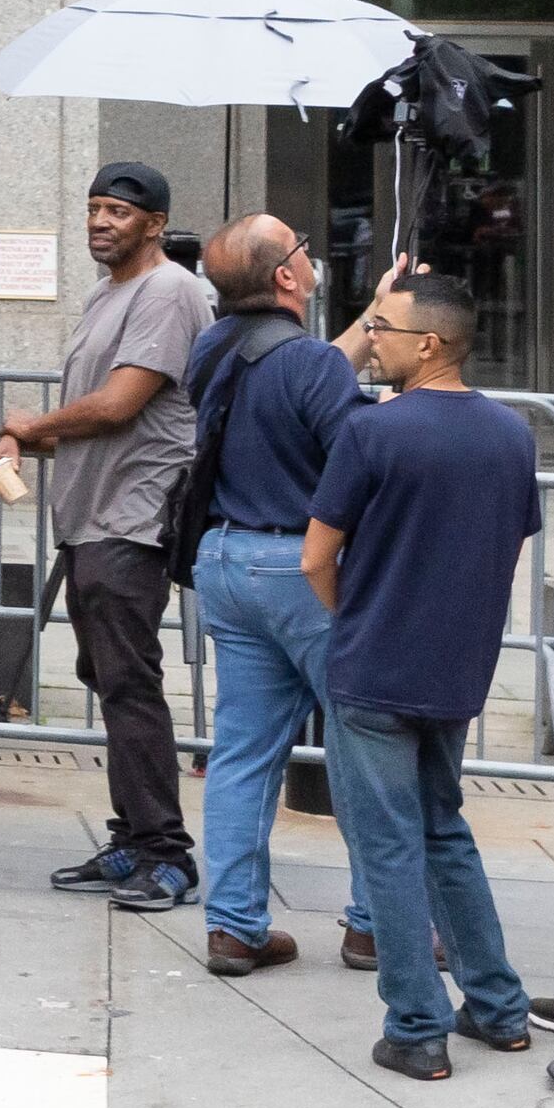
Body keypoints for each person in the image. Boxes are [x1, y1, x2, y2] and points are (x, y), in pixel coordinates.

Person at [308, 264, 547, 1079]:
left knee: (387, 847)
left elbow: (316, 556)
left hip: (374, 664)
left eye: (381, 326)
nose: (370, 338)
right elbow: (505, 548)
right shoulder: (515, 433)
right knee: (444, 830)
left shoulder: (373, 430)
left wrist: (361, 612)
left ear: (430, 341)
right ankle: (498, 1007)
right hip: (456, 668)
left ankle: (415, 1026)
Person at [0, 157, 206, 910]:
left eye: (119, 211)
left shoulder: (169, 290)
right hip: (92, 516)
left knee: (131, 685)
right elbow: (90, 413)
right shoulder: (109, 292)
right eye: (94, 208)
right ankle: (131, 837)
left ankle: (166, 853)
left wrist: (30, 424)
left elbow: (120, 403)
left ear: (155, 223)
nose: (101, 221)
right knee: (111, 683)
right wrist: (23, 444)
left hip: (132, 518)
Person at [184, 212, 375, 978]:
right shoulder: (313, 366)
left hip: (225, 559)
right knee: (368, 747)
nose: (310, 251)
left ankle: (233, 926)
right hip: (302, 564)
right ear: (288, 277)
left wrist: (367, 322)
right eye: (300, 245)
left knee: (241, 751)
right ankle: (376, 923)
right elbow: (357, 456)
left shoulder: (212, 346)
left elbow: (298, 374)